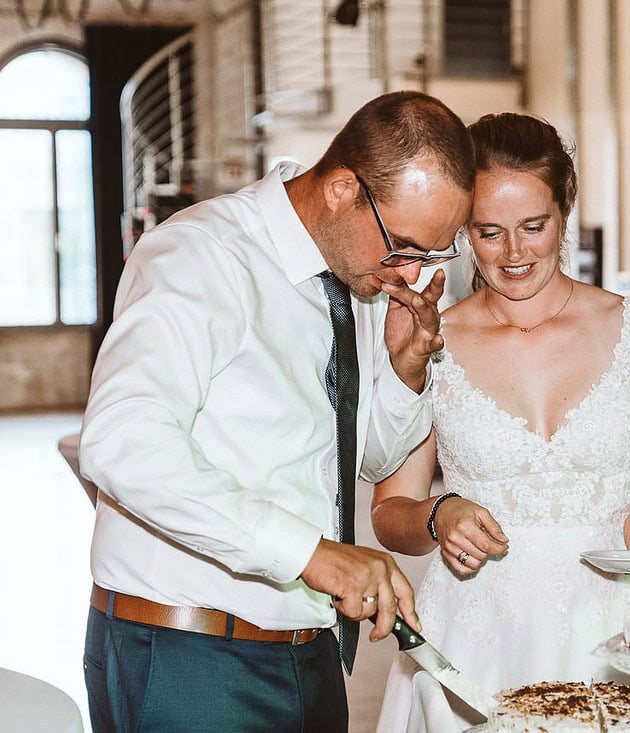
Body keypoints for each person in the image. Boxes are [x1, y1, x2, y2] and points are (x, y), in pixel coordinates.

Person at [78, 90, 476, 732]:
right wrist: (311, 554)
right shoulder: (202, 254)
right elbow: (122, 443)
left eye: (431, 254)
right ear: (343, 189)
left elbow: (366, 460)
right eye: (403, 246)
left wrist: (404, 372)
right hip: (191, 652)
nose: (411, 270)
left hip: (306, 648)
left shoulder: (361, 282)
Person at [371, 112, 630, 730]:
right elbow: (392, 513)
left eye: (534, 226)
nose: (514, 252)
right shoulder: (431, 342)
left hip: (615, 624)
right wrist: (440, 516)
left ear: (565, 212)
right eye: (489, 232)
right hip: (478, 633)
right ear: (464, 228)